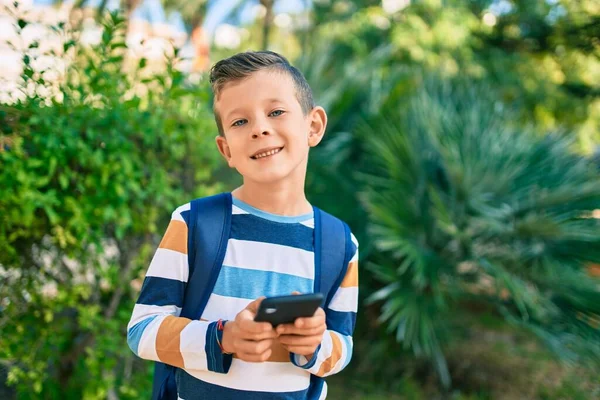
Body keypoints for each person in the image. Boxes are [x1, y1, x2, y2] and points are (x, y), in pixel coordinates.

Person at [127, 51, 359, 399]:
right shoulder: (193, 223)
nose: (260, 128)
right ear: (226, 151)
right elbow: (142, 330)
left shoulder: (340, 244)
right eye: (240, 122)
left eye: (276, 112)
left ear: (313, 126)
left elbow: (341, 348)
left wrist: (314, 344)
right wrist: (223, 337)